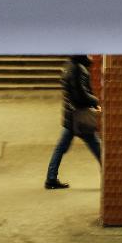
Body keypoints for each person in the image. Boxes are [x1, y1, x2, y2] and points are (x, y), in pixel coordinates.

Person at [45, 55, 102, 189]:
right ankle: (110, 178)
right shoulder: (77, 68)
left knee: (60, 148)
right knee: (97, 147)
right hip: (79, 117)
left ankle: (51, 178)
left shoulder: (69, 65)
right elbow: (80, 95)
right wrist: (95, 101)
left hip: (71, 116)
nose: (90, 55)